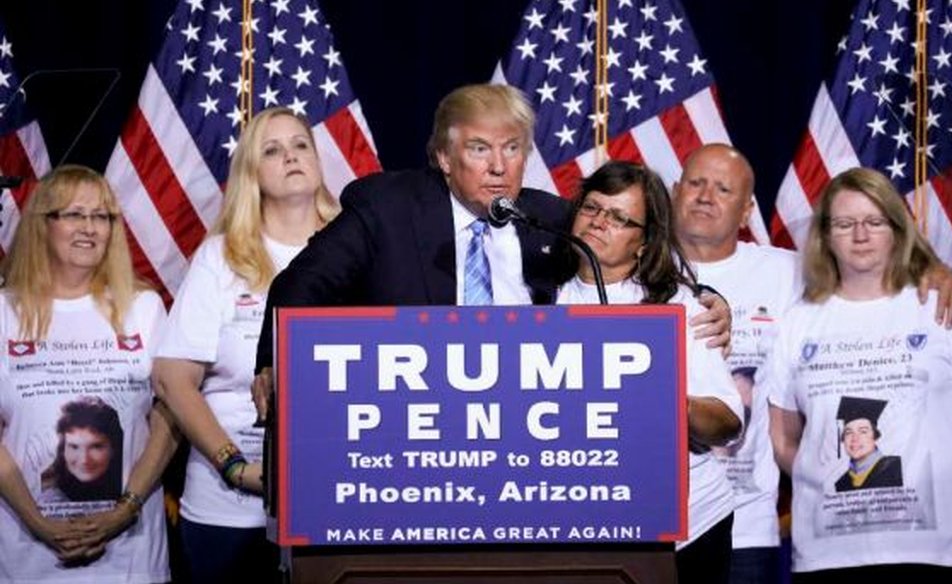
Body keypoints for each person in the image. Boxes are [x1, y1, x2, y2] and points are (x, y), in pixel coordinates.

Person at [252, 84, 731, 418]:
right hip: (413, 425)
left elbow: (629, 255)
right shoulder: (387, 207)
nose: (499, 167)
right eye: (480, 149)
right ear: (444, 156)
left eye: (513, 148)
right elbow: (300, 284)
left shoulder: (551, 218)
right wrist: (274, 361)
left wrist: (707, 296)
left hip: (525, 434)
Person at [671, 143, 952, 584]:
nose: (705, 196)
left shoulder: (792, 274)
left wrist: (935, 272)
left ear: (746, 212)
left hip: (747, 524)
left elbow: (873, 275)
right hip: (657, 516)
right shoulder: (641, 270)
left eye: (723, 188)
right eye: (696, 183)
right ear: (674, 190)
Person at [764, 167, 952, 584]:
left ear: (896, 228)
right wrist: (819, 483)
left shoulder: (945, 309)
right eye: (844, 223)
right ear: (825, 235)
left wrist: (951, 488)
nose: (860, 236)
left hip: (937, 554)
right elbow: (783, 438)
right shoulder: (798, 322)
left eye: (874, 222)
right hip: (829, 557)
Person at [151, 106, 339, 583]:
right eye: (272, 150)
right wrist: (235, 467)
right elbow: (173, 379)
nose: (291, 157)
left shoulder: (355, 248)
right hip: (230, 507)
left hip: (334, 501)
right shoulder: (221, 257)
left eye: (301, 145)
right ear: (252, 173)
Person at [555, 160, 742, 584]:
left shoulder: (679, 307)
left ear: (644, 240)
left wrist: (662, 396)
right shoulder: (543, 297)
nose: (600, 222)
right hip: (586, 525)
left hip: (689, 527)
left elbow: (727, 423)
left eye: (619, 217)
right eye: (593, 208)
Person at [0, 165, 175, 582]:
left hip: (131, 557)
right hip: (28, 557)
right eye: (75, 214)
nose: (90, 228)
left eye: (102, 216)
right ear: (43, 224)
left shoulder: (144, 308)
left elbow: (170, 418)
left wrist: (125, 509)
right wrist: (40, 524)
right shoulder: (5, 312)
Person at [40, 397, 124, 502]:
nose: (84, 459)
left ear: (114, 449)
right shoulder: (45, 495)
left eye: (96, 447)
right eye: (74, 447)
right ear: (62, 450)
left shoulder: (132, 484)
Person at [832, 396, 902, 491]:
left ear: (875, 436)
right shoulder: (841, 483)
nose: (854, 438)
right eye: (848, 432)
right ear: (843, 439)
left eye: (863, 431)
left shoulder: (895, 469)